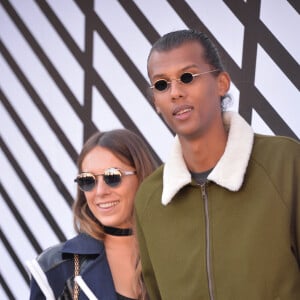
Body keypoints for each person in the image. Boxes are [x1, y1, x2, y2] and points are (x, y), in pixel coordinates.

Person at [134, 29, 300, 299]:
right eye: (162, 84)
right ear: (156, 101)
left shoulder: (285, 163)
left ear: (221, 83)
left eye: (187, 77)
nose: (175, 92)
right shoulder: (150, 199)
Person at [27, 129, 158, 300]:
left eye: (112, 176)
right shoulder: (56, 267)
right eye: (88, 180)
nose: (100, 192)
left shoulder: (177, 252)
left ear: (142, 176)